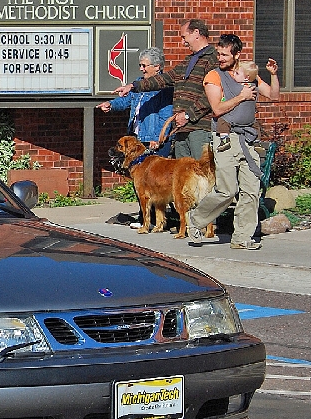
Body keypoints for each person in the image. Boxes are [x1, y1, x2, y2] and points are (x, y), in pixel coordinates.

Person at [187, 37, 280, 250]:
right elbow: (217, 110)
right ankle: (196, 221)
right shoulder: (214, 76)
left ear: (236, 55)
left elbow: (273, 96)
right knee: (227, 190)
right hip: (225, 140)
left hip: (248, 140)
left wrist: (273, 75)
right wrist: (242, 96)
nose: (220, 58)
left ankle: (242, 237)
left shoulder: (248, 74)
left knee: (251, 190)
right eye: (219, 54)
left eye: (224, 55)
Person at [115, 19, 216, 159]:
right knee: (183, 178)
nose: (183, 42)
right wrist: (133, 86)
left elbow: (212, 96)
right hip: (181, 129)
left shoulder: (213, 58)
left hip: (199, 127)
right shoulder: (188, 61)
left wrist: (187, 115)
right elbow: (165, 79)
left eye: (184, 37)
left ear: (196, 33)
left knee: (201, 173)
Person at [97, 47, 174, 156]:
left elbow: (166, 116)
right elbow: (126, 100)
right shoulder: (139, 83)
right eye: (140, 65)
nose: (141, 69)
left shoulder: (165, 88)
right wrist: (111, 105)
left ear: (157, 67)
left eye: (144, 66)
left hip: (153, 142)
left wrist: (157, 138)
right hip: (137, 139)